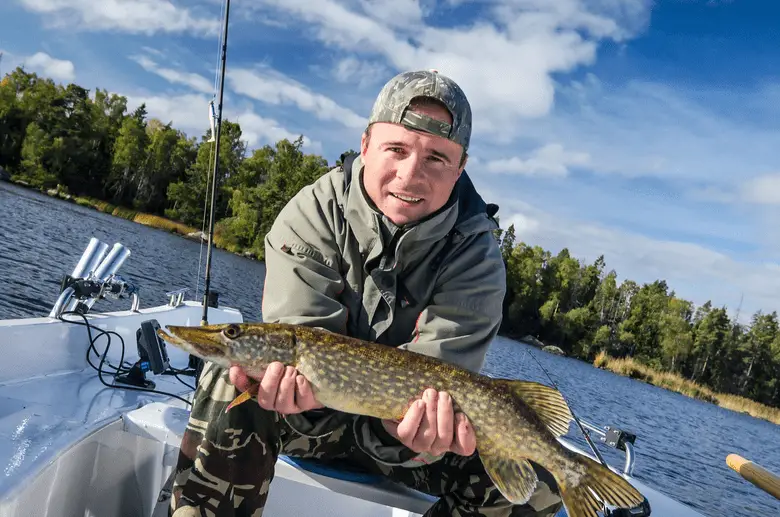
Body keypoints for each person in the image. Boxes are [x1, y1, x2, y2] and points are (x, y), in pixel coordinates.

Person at [167, 69, 563, 517]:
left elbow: (438, 383)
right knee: (229, 379)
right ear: (366, 145)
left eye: (436, 158)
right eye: (396, 149)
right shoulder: (313, 213)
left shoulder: (477, 256)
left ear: (460, 168)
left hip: (413, 439)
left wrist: (419, 436)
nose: (411, 176)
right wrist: (290, 393)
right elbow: (304, 340)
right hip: (308, 418)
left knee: (542, 487)